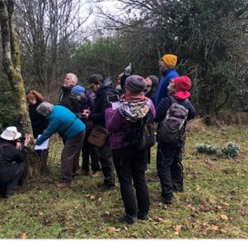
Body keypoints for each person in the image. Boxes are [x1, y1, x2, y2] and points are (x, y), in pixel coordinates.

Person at [105, 75, 155, 224]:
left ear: (128, 88)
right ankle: (144, 213)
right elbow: (154, 116)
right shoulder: (149, 103)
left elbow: (111, 127)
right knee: (140, 177)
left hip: (122, 147)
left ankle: (131, 215)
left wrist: (109, 112)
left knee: (125, 180)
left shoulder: (121, 108)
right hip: (141, 145)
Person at [154, 76, 197, 204]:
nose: (168, 86)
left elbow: (156, 116)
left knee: (163, 165)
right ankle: (178, 186)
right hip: (180, 137)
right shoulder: (187, 102)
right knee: (176, 161)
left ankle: (167, 195)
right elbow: (193, 114)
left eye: (171, 84)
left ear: (175, 88)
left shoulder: (168, 100)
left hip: (166, 138)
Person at [35, 102, 86, 188]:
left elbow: (48, 133)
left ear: (45, 112)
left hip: (75, 133)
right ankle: (73, 171)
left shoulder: (54, 118)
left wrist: (36, 142)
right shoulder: (58, 107)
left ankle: (66, 180)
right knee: (73, 153)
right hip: (80, 128)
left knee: (66, 156)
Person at [82, 74, 117, 191]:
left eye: (92, 87)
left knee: (105, 155)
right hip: (105, 127)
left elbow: (104, 114)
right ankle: (109, 179)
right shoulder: (106, 93)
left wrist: (90, 116)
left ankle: (110, 182)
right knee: (104, 155)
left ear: (99, 83)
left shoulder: (104, 95)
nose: (92, 90)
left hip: (105, 129)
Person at [0, 126, 31, 198]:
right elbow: (21, 157)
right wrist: (25, 146)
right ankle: (11, 189)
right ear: (13, 140)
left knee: (2, 169)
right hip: (1, 178)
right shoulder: (10, 148)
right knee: (21, 164)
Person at [70, 85, 101, 176]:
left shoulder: (91, 99)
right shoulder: (78, 102)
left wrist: (88, 114)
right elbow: (76, 111)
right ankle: (85, 168)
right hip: (82, 126)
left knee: (93, 148)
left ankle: (96, 169)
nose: (75, 98)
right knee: (84, 148)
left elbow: (95, 111)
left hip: (91, 126)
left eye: (75, 96)